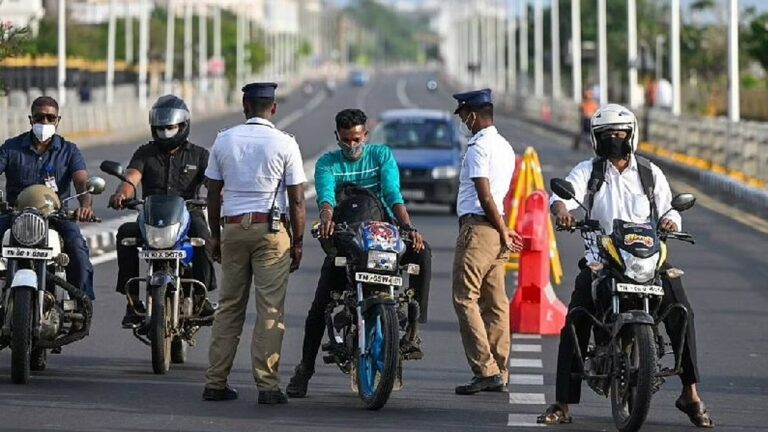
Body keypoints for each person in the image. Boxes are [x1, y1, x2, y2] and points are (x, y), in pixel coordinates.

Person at [538, 104, 714, 428]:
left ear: (631, 136)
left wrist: (671, 222)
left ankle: (690, 393)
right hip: (602, 261)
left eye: (619, 134)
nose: (614, 140)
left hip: (648, 260)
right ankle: (562, 403)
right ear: (596, 138)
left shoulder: (650, 174)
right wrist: (562, 210)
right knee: (576, 317)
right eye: (606, 135)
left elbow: (670, 209)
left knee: (681, 311)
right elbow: (562, 195)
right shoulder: (589, 172)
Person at [285, 108, 431, 399]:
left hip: (384, 237)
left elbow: (393, 194)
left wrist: (408, 227)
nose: (352, 146)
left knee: (422, 253)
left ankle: (413, 328)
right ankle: (304, 370)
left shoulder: (381, 156)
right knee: (319, 307)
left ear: (366, 135)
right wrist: (327, 218)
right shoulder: (328, 163)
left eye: (356, 139)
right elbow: (325, 195)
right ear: (337, 137)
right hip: (347, 238)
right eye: (345, 140)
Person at [203, 82, 306, 405]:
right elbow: (298, 201)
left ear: (244, 106)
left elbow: (212, 194)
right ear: (273, 108)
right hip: (271, 231)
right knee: (270, 309)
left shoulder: (224, 139)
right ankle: (267, 386)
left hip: (232, 228)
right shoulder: (285, 143)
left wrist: (216, 236)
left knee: (229, 307)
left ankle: (215, 382)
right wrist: (298, 241)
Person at [109, 95, 216, 328]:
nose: (165, 132)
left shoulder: (199, 155)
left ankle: (201, 296)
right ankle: (133, 300)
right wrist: (121, 195)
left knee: (204, 237)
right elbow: (131, 179)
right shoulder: (145, 153)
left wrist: (218, 196)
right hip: (152, 217)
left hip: (188, 214)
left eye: (170, 128)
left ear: (183, 125)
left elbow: (212, 183)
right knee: (125, 234)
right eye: (161, 128)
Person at [450, 88, 522, 395]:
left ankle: (485, 369)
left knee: (464, 298)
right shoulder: (504, 145)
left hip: (479, 230)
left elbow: (485, 193)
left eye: (464, 116)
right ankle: (500, 370)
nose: (464, 122)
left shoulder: (479, 147)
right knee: (495, 303)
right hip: (495, 232)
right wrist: (503, 230)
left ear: (474, 115)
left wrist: (503, 229)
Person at [0, 96, 96, 299]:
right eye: (39, 117)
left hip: (56, 217)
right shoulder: (10, 148)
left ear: (57, 120)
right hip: (15, 215)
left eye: (50, 117)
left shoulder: (69, 151)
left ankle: (81, 303)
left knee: (78, 250)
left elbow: (82, 182)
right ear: (30, 119)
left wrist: (85, 205)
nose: (44, 122)